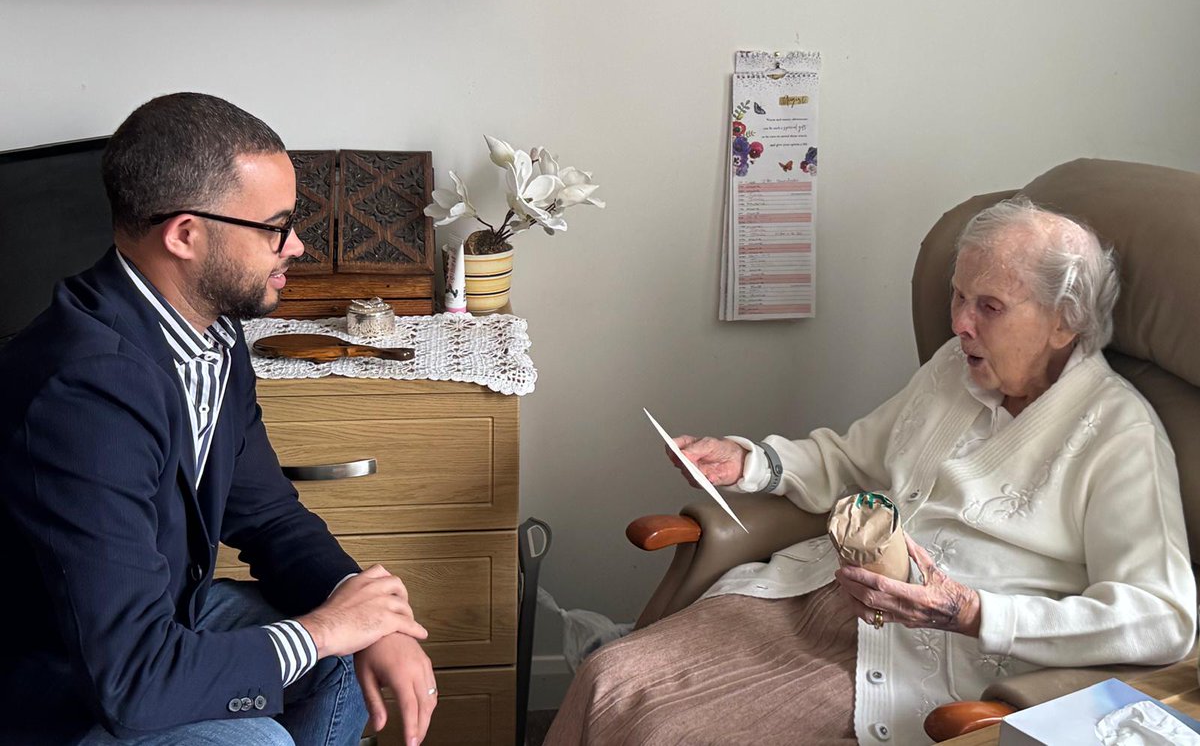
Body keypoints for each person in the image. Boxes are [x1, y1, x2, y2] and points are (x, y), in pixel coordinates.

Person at [546, 198, 1197, 745]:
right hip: (810, 597)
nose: (959, 323)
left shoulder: (1117, 434)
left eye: (989, 307)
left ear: (1065, 322)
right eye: (958, 296)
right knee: (609, 677)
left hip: (922, 654)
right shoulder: (955, 369)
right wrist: (753, 461)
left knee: (669, 731)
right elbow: (855, 460)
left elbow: (1163, 618)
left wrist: (973, 612)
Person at [0, 93, 439, 746]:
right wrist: (323, 629)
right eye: (276, 227)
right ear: (184, 234)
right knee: (259, 737)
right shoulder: (82, 394)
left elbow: (267, 515)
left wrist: (369, 612)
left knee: (346, 656)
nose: (297, 245)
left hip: (159, 622)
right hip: (63, 686)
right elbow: (130, 676)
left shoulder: (210, 335)